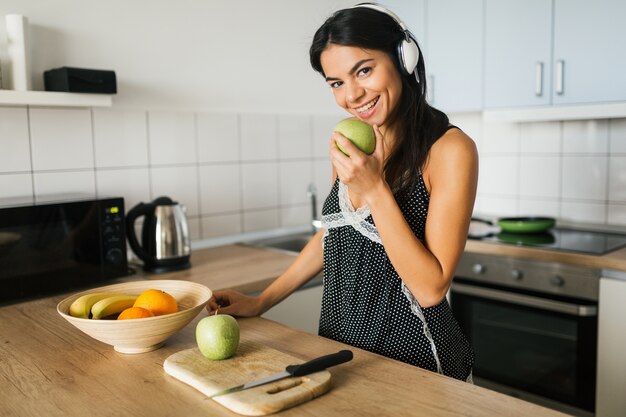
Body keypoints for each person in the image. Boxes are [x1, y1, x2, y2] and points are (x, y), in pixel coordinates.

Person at [207, 3, 478, 382]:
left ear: (404, 58)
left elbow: (431, 288)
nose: (351, 95)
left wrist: (375, 189)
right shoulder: (353, 140)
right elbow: (335, 231)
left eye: (363, 70)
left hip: (417, 360)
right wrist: (261, 301)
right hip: (341, 352)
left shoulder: (449, 149)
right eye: (336, 83)